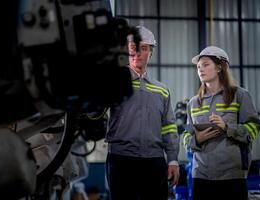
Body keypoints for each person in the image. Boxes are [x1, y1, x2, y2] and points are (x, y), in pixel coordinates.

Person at [105, 25, 180, 200]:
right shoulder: (115, 84)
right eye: (133, 48)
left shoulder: (161, 90)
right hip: (121, 160)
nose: (138, 53)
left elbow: (169, 127)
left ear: (150, 53)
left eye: (144, 48)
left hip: (154, 162)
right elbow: (96, 114)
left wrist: (173, 159)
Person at [183, 46, 260, 200]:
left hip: (232, 176)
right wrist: (197, 139)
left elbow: (253, 129)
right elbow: (186, 137)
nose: (200, 70)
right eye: (198, 67)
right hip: (201, 177)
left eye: (205, 65)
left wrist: (227, 127)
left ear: (220, 67)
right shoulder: (193, 103)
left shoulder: (240, 95)